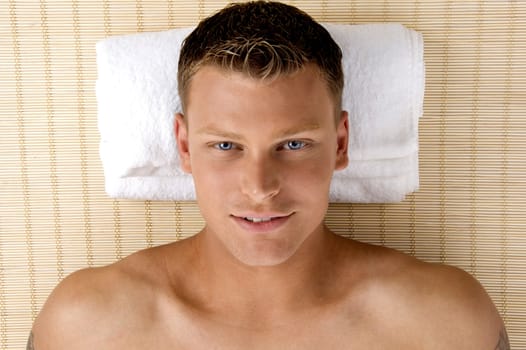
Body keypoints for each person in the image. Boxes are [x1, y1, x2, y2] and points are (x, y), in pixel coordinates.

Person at [30, 1, 509, 349]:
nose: (260, 188)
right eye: (225, 146)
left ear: (341, 143)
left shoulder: (443, 323)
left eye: (293, 145)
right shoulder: (86, 327)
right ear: (183, 146)